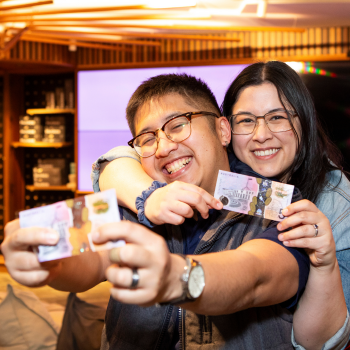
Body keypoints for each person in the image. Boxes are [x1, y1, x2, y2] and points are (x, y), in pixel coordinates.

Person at [2, 73, 311, 350]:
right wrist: (48, 256)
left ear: (222, 130)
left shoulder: (273, 200)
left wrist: (174, 276)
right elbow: (90, 252)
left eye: (178, 125)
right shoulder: (138, 202)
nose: (163, 148)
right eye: (148, 139)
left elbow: (257, 275)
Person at [94, 63, 350, 349]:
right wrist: (147, 197)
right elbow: (115, 161)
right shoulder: (151, 184)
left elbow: (256, 275)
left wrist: (176, 275)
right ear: (228, 127)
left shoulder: (320, 201)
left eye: (277, 117)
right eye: (246, 121)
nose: (261, 134)